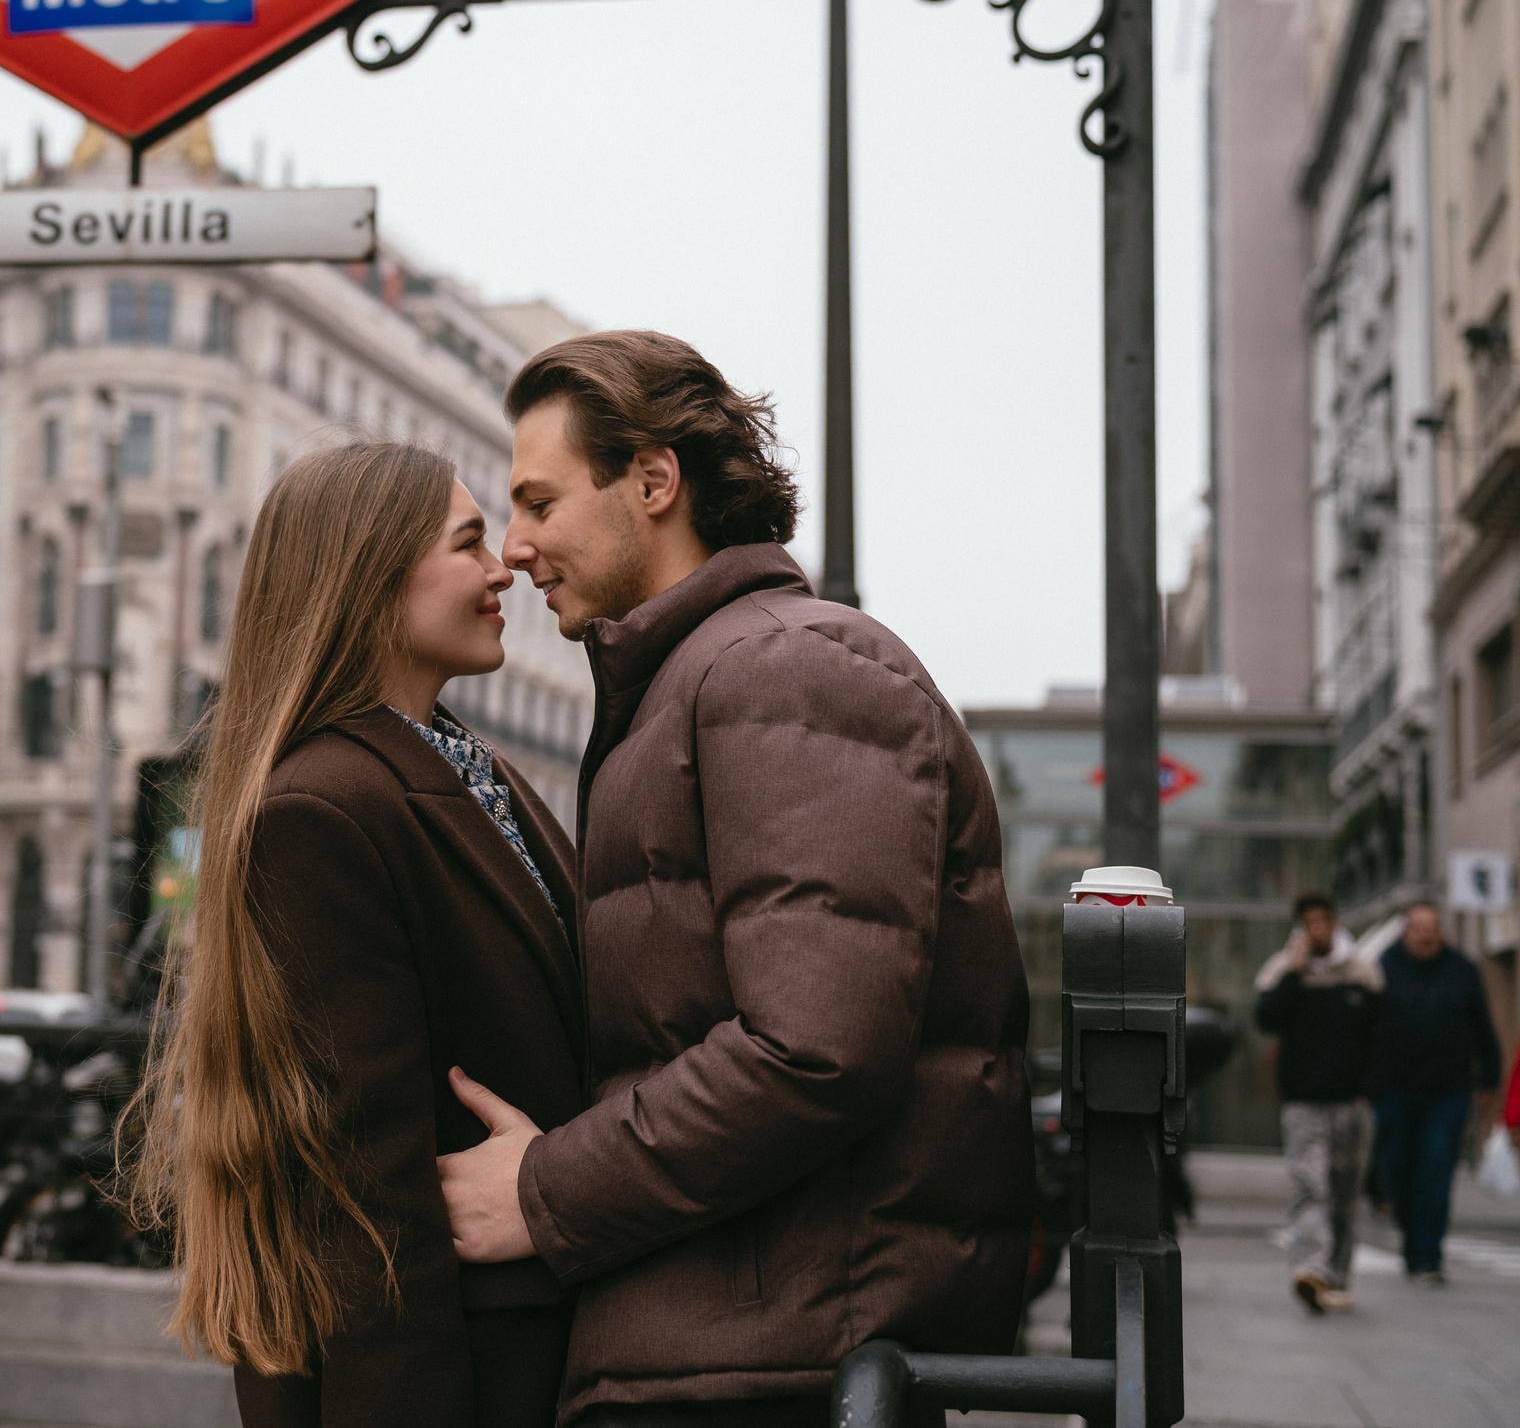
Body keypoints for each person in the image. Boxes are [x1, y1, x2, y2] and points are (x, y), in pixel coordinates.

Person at [433, 331, 1034, 1427]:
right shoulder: (694, 683)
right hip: (736, 1344)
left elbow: (815, 1047)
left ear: (654, 481)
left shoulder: (781, 669)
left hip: (780, 1367)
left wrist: (545, 1189)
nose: (515, 548)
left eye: (538, 502)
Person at [123, 441, 586, 1428]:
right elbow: (366, 1200)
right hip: (457, 1369)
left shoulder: (477, 774)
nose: (502, 565)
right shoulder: (321, 812)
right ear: (371, 579)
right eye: (467, 544)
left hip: (532, 1347)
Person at [1251, 892, 1382, 1313]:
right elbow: (1265, 1019)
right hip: (1304, 1102)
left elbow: (1385, 1036)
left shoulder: (1361, 971)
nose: (1318, 930)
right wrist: (1296, 971)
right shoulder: (1283, 970)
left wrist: (1371, 1089)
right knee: (1310, 1187)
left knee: (1345, 1193)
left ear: (1334, 922)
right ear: (1300, 928)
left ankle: (1337, 1277)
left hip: (1352, 1102)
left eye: (1323, 921)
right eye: (1309, 923)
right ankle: (1310, 1269)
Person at [1368, 901, 1502, 1285]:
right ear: (1406, 932)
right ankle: (1411, 1235)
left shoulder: (1462, 970)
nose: (1427, 934)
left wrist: (1489, 1079)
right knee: (1398, 1168)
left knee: (1437, 1168)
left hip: (1448, 1091)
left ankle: (1430, 1257)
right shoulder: (1383, 968)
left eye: (1433, 927)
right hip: (1394, 1089)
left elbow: (1483, 1028)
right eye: (1419, 927)